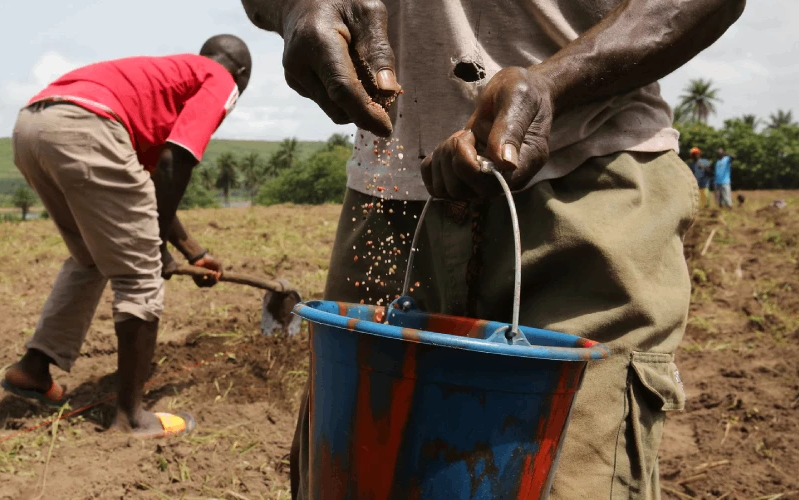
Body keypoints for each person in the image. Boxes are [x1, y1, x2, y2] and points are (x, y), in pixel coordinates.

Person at [239, 0, 744, 497]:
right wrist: (294, 8)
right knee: (351, 475)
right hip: (389, 195)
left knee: (567, 478)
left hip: (580, 178)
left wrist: (555, 82)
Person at [1, 35, 252, 438]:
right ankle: (132, 418)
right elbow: (175, 164)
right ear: (241, 73)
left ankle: (33, 368)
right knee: (139, 276)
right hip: (87, 128)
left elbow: (146, 184)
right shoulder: (220, 78)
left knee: (89, 258)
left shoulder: (162, 82)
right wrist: (154, 248)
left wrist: (193, 252)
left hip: (34, 125)